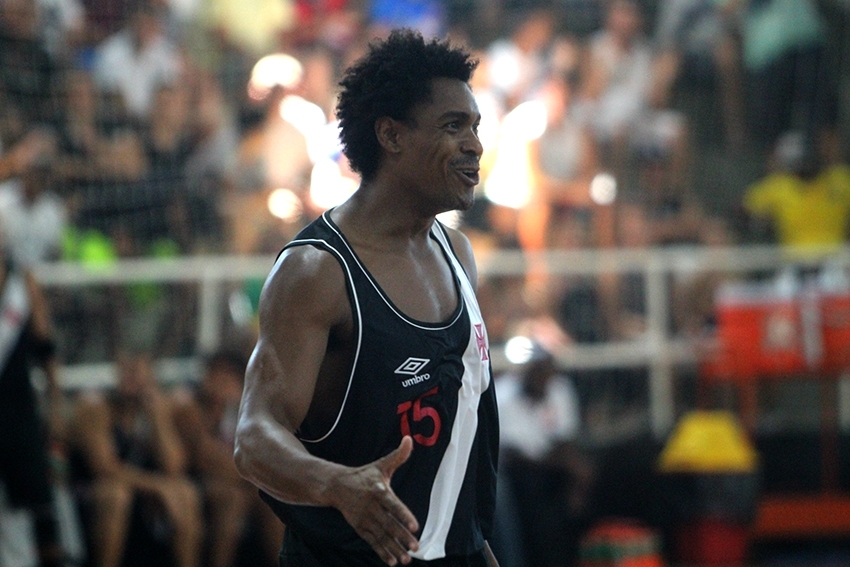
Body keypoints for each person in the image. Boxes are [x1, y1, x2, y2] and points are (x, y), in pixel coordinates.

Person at [233, 29, 500, 567]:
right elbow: (254, 437)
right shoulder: (318, 271)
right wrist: (336, 484)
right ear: (391, 135)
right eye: (454, 126)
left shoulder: (458, 255)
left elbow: (455, 481)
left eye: (475, 126)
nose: (474, 144)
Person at [68, 353, 203, 567]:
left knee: (186, 493)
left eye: (137, 372)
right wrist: (155, 486)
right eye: (127, 371)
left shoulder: (158, 411)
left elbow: (174, 467)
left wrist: (158, 418)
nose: (131, 378)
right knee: (117, 495)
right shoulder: (97, 409)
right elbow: (104, 468)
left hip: (141, 493)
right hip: (93, 491)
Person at [171, 350, 284, 567]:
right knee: (233, 499)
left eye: (227, 376)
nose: (219, 382)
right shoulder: (188, 406)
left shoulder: (244, 410)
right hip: (195, 481)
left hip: (238, 481)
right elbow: (205, 458)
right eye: (214, 373)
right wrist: (258, 477)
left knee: (271, 502)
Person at [0, 240, 64, 567]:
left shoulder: (22, 286)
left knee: (29, 507)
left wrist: (54, 403)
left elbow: (46, 347)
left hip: (17, 412)